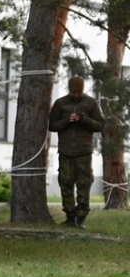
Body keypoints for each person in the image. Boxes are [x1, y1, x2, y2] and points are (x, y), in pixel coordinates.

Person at [48, 75, 104, 228]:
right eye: (73, 92)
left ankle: (82, 216)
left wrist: (84, 119)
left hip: (83, 152)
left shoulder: (91, 103)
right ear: (69, 89)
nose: (76, 95)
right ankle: (70, 215)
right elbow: (52, 125)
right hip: (65, 151)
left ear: (82, 90)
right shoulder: (60, 104)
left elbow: (100, 125)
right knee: (65, 184)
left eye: (78, 92)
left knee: (84, 184)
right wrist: (67, 121)